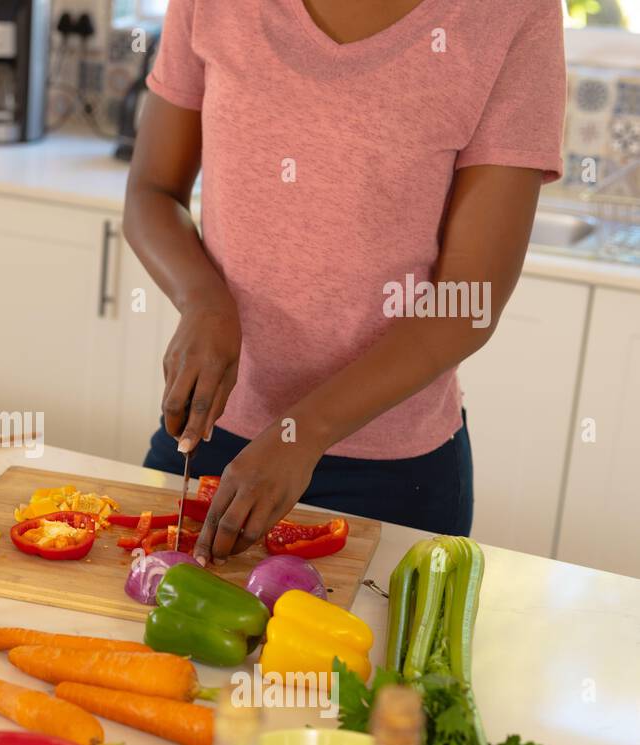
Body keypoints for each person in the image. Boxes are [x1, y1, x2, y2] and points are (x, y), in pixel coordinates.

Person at [123, 0, 566, 563]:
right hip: (209, 439)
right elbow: (152, 193)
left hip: (389, 478)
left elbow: (469, 299)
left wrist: (303, 431)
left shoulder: (511, 13)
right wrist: (204, 303)